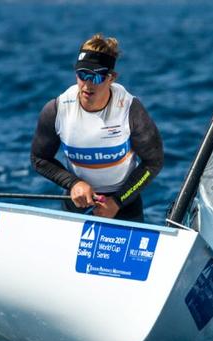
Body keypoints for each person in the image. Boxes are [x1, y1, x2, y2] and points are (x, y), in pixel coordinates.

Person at [30, 34, 164, 222]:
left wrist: (117, 201)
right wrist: (73, 183)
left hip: (124, 205)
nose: (87, 84)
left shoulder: (130, 109)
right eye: (82, 74)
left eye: (97, 76)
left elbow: (154, 162)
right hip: (77, 203)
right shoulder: (57, 109)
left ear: (111, 78)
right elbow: (39, 158)